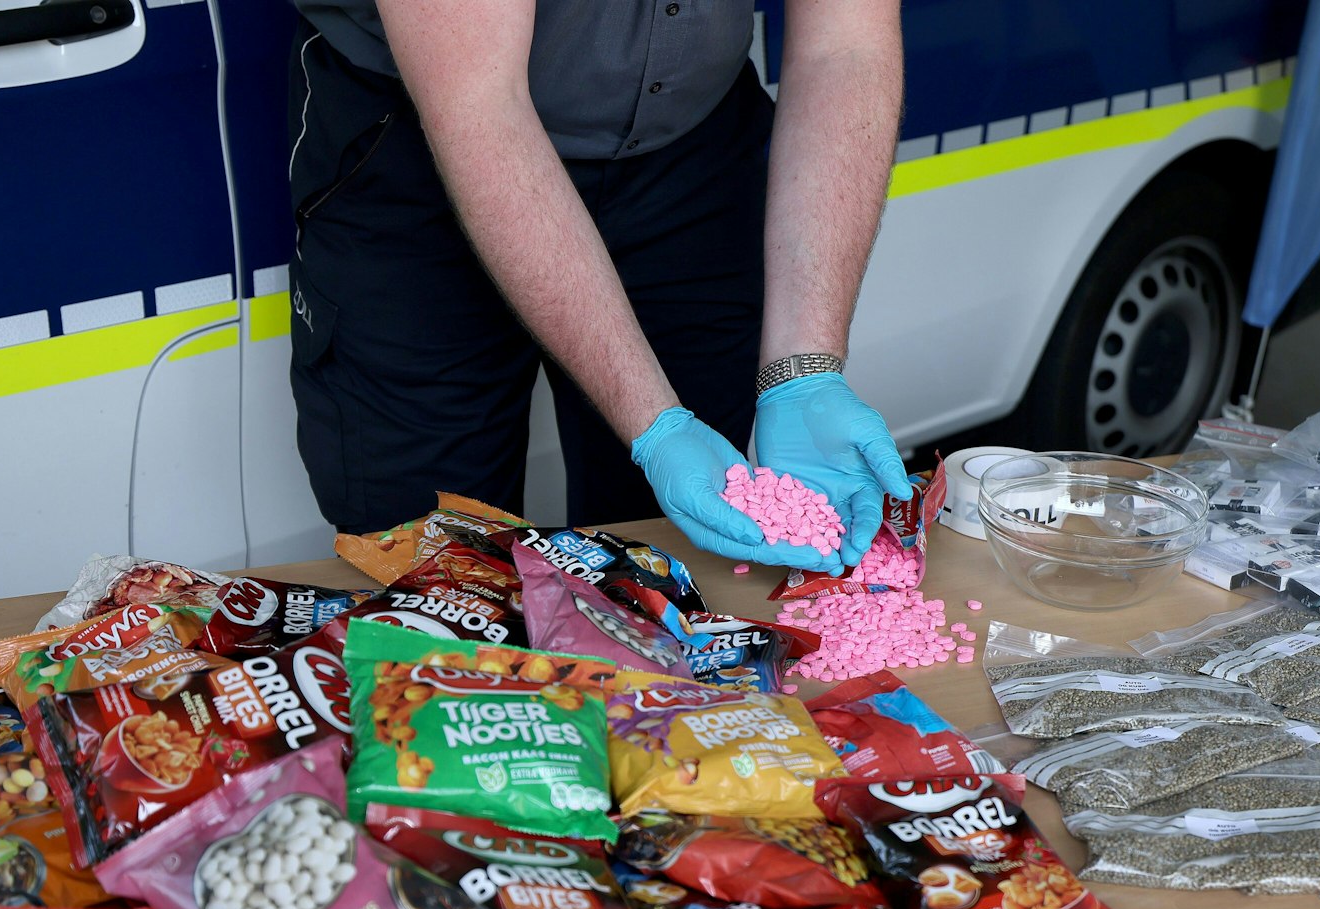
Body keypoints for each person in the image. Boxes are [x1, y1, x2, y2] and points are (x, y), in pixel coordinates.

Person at [285, 0, 909, 574]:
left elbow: (845, 47)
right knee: (439, 562)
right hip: (419, 142)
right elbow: (480, 107)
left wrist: (803, 370)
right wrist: (656, 425)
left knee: (680, 550)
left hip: (688, 143)